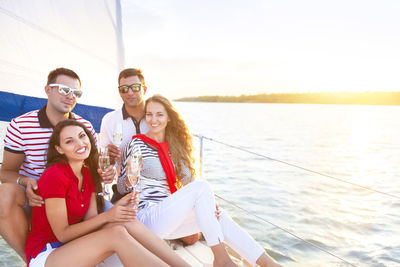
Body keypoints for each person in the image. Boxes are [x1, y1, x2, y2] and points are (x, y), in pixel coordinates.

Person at [118, 95, 283, 267]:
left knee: (219, 216)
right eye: (149, 114)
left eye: (159, 114)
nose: (153, 119)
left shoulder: (176, 147)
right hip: (146, 219)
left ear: (168, 117)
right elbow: (122, 188)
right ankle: (222, 260)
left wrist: (210, 207)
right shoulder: (136, 144)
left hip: (170, 218)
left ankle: (269, 264)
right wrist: (130, 176)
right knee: (202, 187)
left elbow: (190, 185)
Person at [25, 119, 189, 267]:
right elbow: (62, 234)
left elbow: (91, 221)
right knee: (116, 233)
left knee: (126, 221)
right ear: (59, 149)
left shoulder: (87, 173)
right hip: (48, 254)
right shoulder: (54, 175)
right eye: (70, 141)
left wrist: (120, 205)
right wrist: (110, 215)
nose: (80, 143)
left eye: (82, 136)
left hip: (73, 246)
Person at [0, 67, 115, 261]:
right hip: (35, 197)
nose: (70, 96)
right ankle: (33, 261)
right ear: (47, 90)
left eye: (76, 93)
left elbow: (93, 167)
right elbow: (6, 172)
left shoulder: (85, 126)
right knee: (4, 195)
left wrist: (107, 171)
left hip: (74, 198)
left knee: (125, 223)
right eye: (63, 89)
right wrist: (27, 182)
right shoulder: (20, 126)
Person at [100, 68, 199, 245]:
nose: (130, 92)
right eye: (124, 89)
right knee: (119, 226)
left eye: (135, 87)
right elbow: (104, 160)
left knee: (193, 237)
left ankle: (160, 228)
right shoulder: (110, 120)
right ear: (119, 92)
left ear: (144, 89)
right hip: (127, 188)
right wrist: (109, 157)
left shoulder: (155, 116)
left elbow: (177, 156)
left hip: (161, 188)